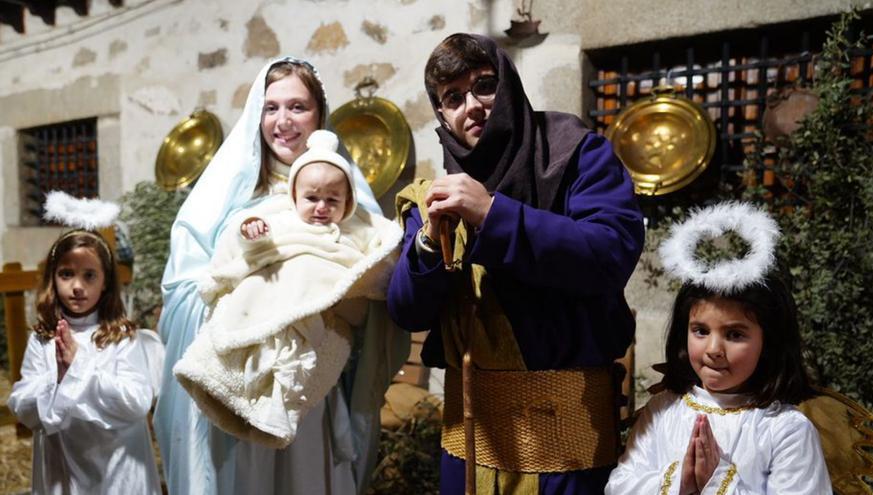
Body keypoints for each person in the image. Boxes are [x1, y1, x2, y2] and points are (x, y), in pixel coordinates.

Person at [387, 33, 645, 494]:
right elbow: (408, 311)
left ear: (508, 84)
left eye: (485, 84)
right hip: (469, 446)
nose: (473, 105)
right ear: (442, 116)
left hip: (564, 449)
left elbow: (610, 253)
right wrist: (429, 242)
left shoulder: (578, 153)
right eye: (453, 97)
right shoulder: (434, 194)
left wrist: (492, 213)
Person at [154, 57, 408, 495]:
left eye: (297, 107)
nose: (283, 121)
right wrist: (245, 297)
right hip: (241, 377)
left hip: (308, 385)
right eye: (271, 108)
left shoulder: (344, 198)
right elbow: (182, 291)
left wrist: (335, 302)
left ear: (319, 115)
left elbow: (375, 281)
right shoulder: (224, 195)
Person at [173, 130, 402, 449]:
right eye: (312, 198)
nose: (321, 207)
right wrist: (254, 237)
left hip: (320, 318)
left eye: (332, 200)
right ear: (295, 196)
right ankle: (219, 377)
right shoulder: (283, 223)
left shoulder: (352, 235)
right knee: (254, 329)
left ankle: (277, 409)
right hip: (273, 300)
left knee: (313, 354)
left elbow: (376, 264)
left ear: (348, 202)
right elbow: (257, 253)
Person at [605, 202, 832, 494]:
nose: (713, 349)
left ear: (769, 342)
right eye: (700, 331)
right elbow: (619, 486)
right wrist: (680, 483)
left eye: (735, 334)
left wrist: (717, 479)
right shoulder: (662, 411)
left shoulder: (786, 430)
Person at [8, 191, 164, 495]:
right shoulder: (43, 339)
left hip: (117, 468)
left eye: (89, 275)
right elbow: (22, 404)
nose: (77, 286)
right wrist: (58, 379)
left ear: (105, 282)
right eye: (67, 274)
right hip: (63, 468)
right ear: (52, 278)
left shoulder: (121, 337)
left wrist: (79, 367)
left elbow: (135, 402)